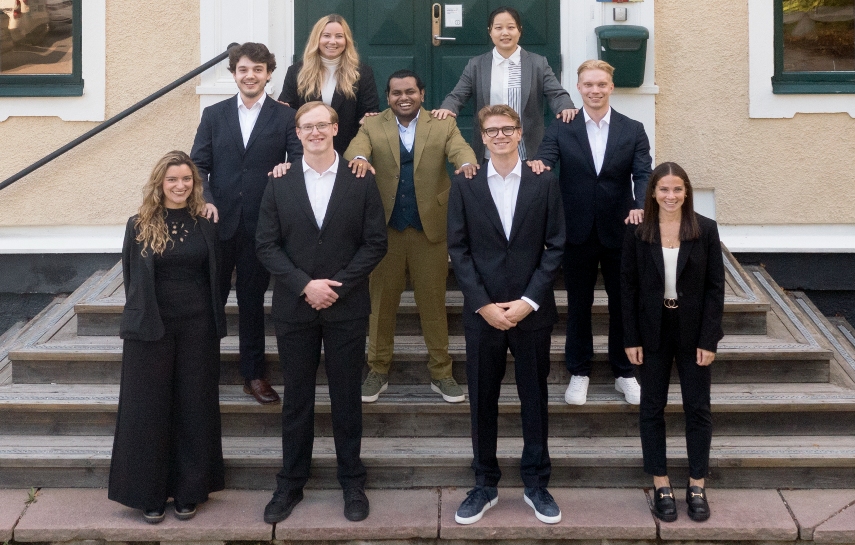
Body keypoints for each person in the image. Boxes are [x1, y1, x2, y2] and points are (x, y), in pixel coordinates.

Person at [256, 101, 387, 524]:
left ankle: (352, 481)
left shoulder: (360, 178)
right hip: (295, 307)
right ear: (297, 133)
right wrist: (303, 285)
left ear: (336, 128)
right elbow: (266, 245)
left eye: (322, 125)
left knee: (347, 399)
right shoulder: (279, 181)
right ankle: (291, 483)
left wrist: (337, 286)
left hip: (346, 308)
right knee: (297, 400)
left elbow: (374, 243)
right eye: (307, 126)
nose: (315, 132)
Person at [448, 105, 565, 525]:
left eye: (507, 129)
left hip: (530, 312)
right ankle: (485, 484)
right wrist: (483, 304)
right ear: (481, 137)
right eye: (491, 130)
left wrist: (528, 301)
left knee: (534, 397)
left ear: (519, 133)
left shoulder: (543, 180)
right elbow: (457, 249)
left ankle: (536, 483)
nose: (500, 135)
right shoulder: (465, 183)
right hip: (483, 313)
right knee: (483, 398)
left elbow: (556, 246)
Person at [343, 69, 478, 404]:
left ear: (422, 93)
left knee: (433, 304)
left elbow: (460, 149)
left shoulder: (442, 124)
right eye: (396, 93)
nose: (403, 98)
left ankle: (442, 373)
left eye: (410, 92)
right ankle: (377, 370)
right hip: (384, 232)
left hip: (428, 230)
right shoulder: (372, 125)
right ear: (387, 97)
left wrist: (465, 164)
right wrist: (359, 158)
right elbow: (355, 149)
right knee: (381, 306)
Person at [108, 151, 227, 524]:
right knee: (148, 411)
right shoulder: (139, 224)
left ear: (195, 183)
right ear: (160, 183)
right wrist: (143, 320)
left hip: (198, 329)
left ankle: (190, 490)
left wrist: (210, 319)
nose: (180, 186)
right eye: (172, 179)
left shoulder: (205, 222)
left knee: (194, 408)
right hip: (151, 330)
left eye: (187, 180)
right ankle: (149, 494)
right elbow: (132, 278)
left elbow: (217, 276)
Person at [530, 59, 651, 407]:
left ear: (611, 87)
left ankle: (624, 372)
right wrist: (538, 165)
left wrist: (640, 205)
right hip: (576, 231)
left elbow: (643, 172)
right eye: (588, 85)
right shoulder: (561, 127)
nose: (595, 91)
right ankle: (579, 371)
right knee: (579, 305)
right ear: (578, 89)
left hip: (621, 229)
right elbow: (545, 160)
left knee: (622, 304)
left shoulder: (633, 129)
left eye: (601, 85)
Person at [191, 42, 302, 405]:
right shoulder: (214, 114)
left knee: (252, 303)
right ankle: (199, 372)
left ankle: (253, 374)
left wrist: (287, 168)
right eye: (243, 69)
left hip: (262, 226)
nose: (250, 75)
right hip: (217, 224)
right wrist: (205, 198)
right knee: (210, 301)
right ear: (234, 73)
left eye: (257, 69)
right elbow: (198, 165)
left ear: (269, 73)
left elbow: (299, 159)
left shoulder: (286, 116)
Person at [621, 161, 724, 523]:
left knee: (698, 408)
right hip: (652, 330)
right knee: (652, 407)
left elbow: (715, 288)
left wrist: (709, 339)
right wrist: (630, 337)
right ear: (652, 193)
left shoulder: (705, 230)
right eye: (663, 189)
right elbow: (627, 289)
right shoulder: (638, 233)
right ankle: (661, 482)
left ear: (686, 192)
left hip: (693, 331)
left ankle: (697, 484)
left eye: (677, 189)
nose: (670, 196)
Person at [431, 6, 576, 162]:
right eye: (498, 28)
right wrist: (447, 108)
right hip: (490, 148)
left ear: (519, 30)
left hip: (527, 151)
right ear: (490, 31)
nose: (505, 33)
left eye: (511, 27)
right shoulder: (476, 65)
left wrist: (565, 106)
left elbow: (556, 94)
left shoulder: (537, 63)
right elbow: (458, 95)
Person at [279, 14, 380, 155]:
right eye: (326, 35)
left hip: (347, 154)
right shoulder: (296, 72)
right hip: (306, 153)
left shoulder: (362, 73)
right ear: (317, 39)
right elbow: (288, 113)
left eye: (339, 36)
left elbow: (368, 115)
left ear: (346, 40)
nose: (333, 41)